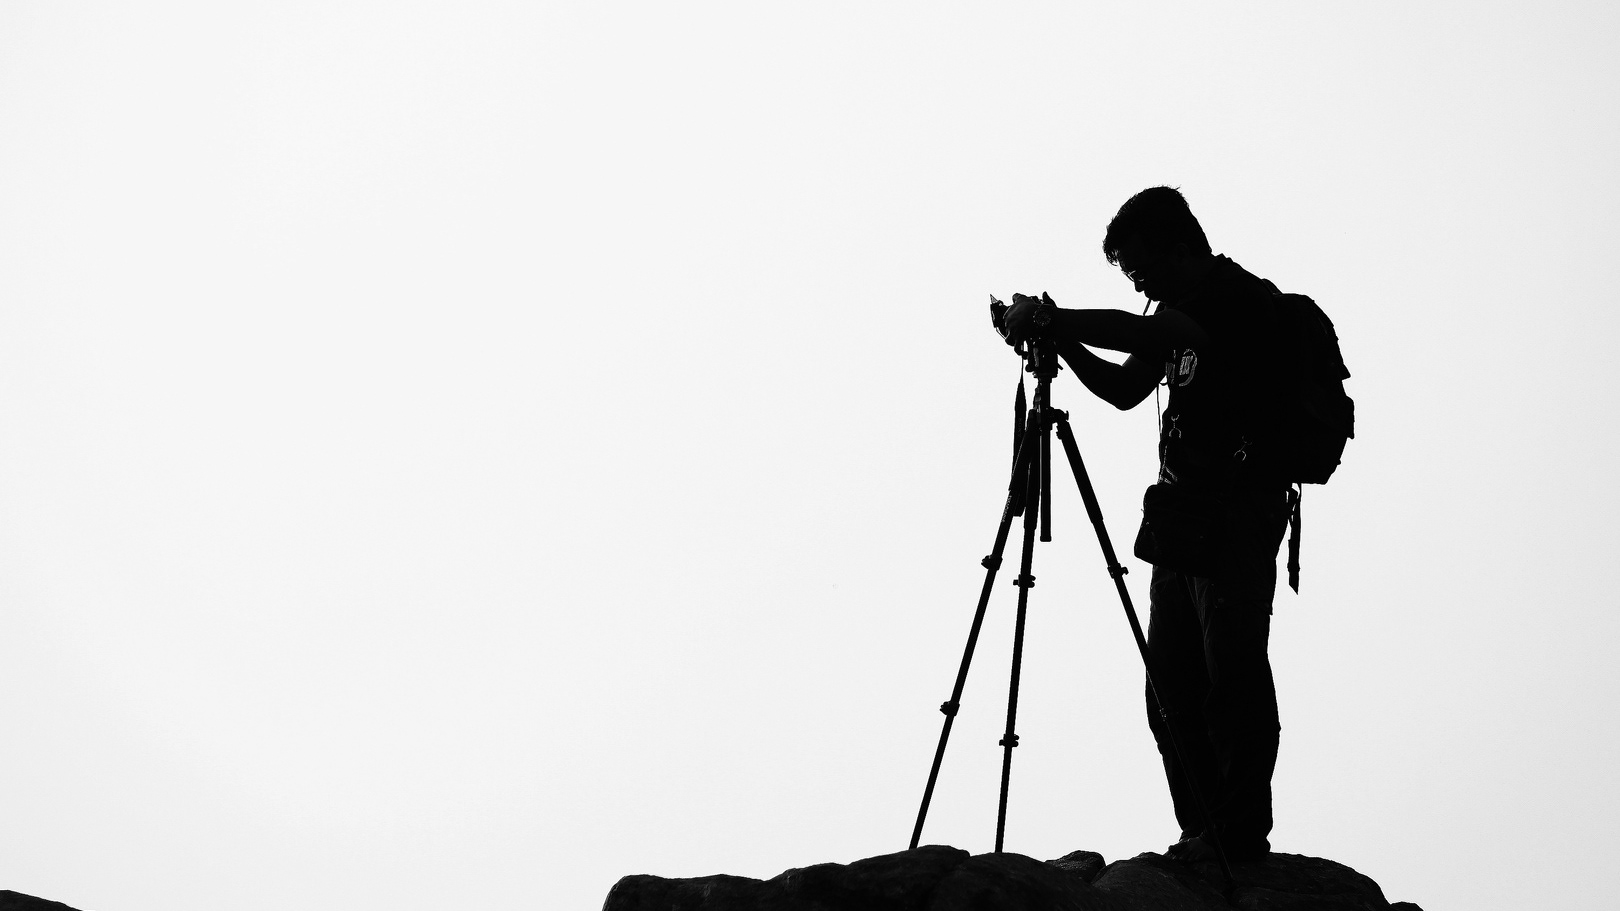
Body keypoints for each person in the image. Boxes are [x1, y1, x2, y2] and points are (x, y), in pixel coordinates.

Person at [1001, 186, 1293, 864]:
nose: (1138, 286)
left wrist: (1053, 316)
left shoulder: (1230, 299)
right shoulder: (1174, 309)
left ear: (1180, 248)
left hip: (1236, 515)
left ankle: (1239, 834)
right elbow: (1125, 389)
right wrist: (1060, 340)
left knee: (1232, 677)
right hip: (1183, 520)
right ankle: (1203, 832)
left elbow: (1147, 337)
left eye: (1141, 269)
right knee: (1171, 691)